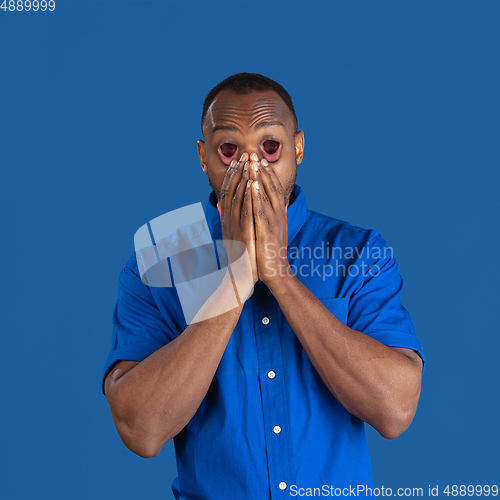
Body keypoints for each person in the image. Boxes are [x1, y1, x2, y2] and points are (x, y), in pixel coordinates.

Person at [102, 72, 425, 500]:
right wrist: (235, 280)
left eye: (270, 147)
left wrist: (279, 275)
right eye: (229, 149)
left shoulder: (359, 254)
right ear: (204, 157)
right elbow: (140, 430)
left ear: (298, 148)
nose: (251, 167)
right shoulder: (156, 263)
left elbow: (395, 411)